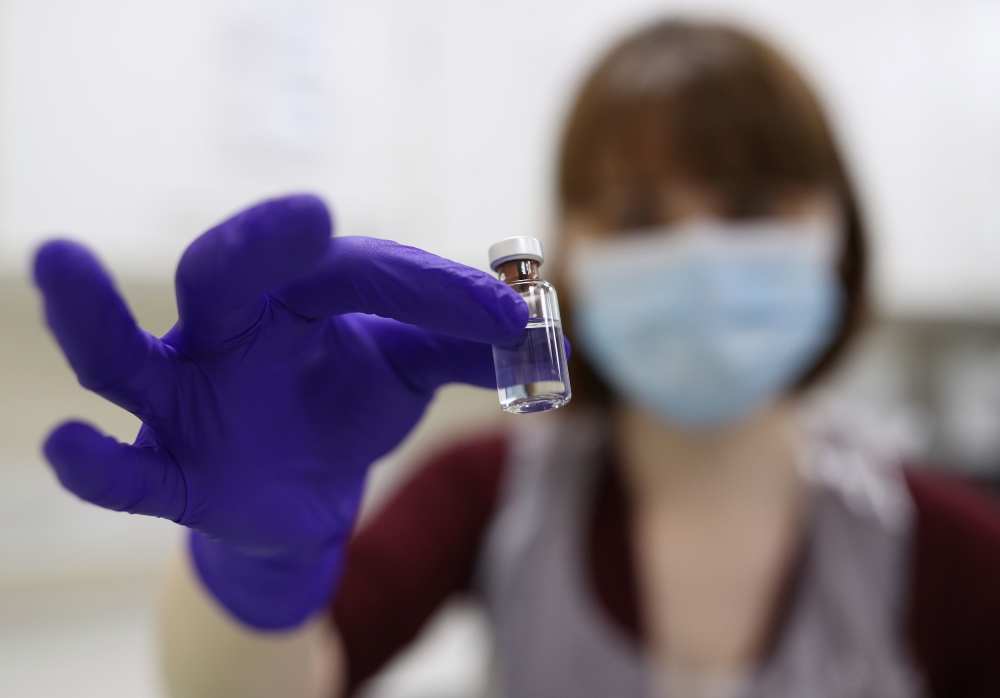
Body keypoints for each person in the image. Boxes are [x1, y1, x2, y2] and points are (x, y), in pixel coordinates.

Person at [34, 20, 1000, 698]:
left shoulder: (959, 553)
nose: (700, 256)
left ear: (843, 233)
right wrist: (252, 568)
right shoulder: (485, 493)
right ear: (566, 251)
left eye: (750, 207)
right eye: (636, 216)